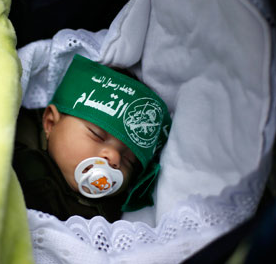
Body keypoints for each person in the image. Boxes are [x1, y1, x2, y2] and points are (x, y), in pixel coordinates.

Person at [12, 54, 171, 222]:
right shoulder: (14, 140)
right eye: (97, 135)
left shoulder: (106, 220)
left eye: (129, 161)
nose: (114, 157)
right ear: (50, 123)